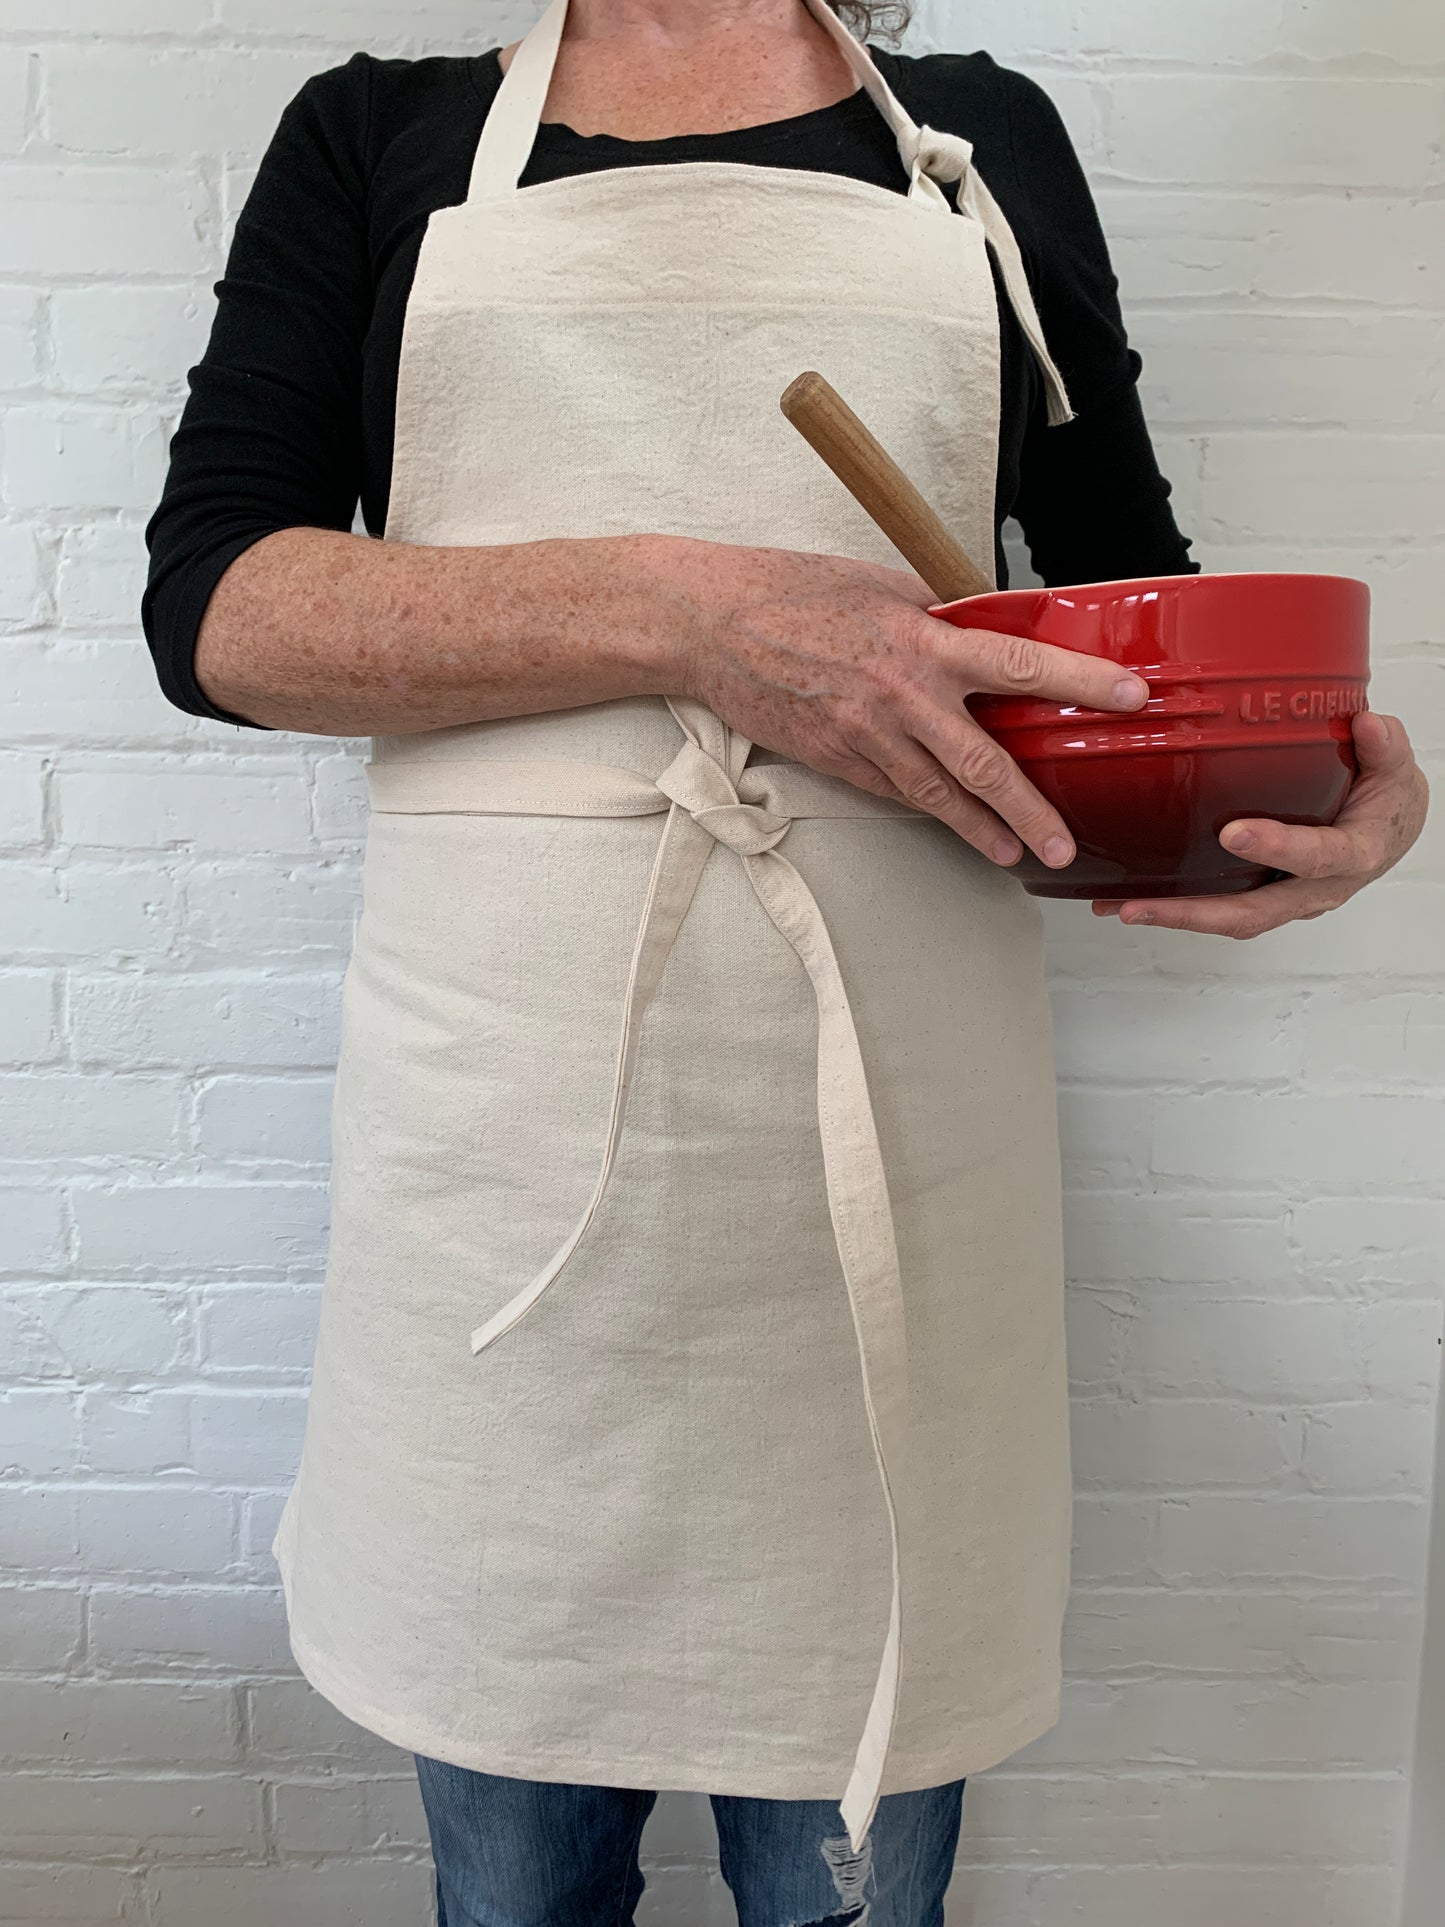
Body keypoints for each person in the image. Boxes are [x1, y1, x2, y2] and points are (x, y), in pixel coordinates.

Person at [141, 2, 1428, 1922]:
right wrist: (696, 607)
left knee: (859, 1850)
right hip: (509, 1124)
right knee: (514, 1864)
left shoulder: (976, 146)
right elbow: (222, 608)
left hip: (896, 1113)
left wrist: (1281, 785)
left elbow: (1108, 598)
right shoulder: (381, 136)